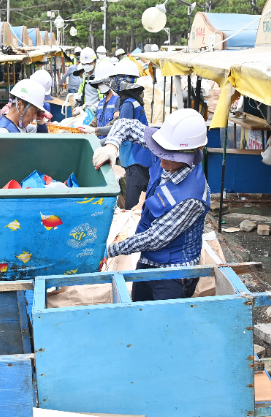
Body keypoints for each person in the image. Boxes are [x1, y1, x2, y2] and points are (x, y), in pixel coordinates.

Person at [93, 109, 210, 301]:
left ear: (187, 155)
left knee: (163, 324)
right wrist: (112, 146)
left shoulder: (192, 197)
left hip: (174, 273)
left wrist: (108, 251)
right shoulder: (165, 146)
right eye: (161, 151)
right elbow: (126, 125)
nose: (161, 159)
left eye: (169, 156)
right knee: (139, 308)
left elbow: (155, 238)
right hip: (149, 259)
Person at [89, 60, 156, 209]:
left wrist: (94, 141)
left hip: (135, 160)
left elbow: (120, 131)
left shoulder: (127, 104)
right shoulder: (133, 101)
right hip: (141, 159)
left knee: (133, 207)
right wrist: (95, 131)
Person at [78, 60, 117, 139]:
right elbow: (94, 122)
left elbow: (115, 125)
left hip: (111, 146)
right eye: (98, 83)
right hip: (99, 144)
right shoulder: (101, 103)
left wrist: (95, 131)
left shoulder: (118, 100)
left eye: (102, 83)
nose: (100, 85)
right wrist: (85, 129)